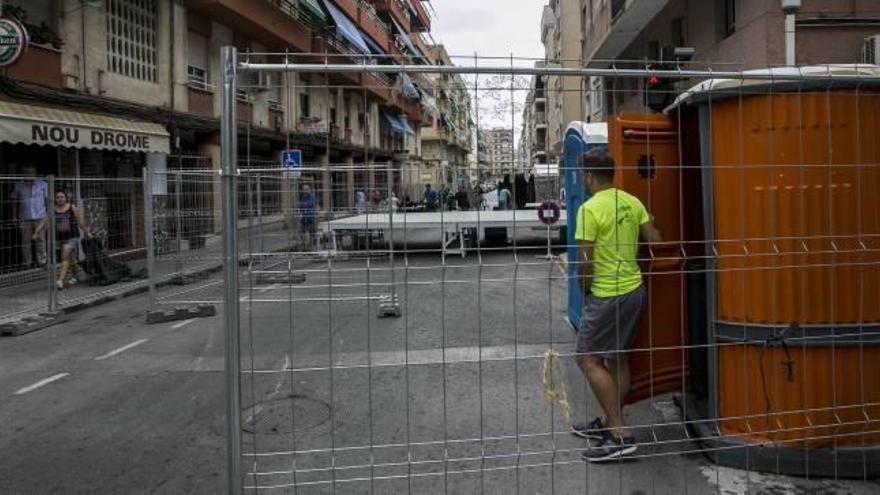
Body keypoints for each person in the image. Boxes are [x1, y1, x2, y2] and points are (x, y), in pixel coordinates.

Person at [572, 150, 661, 462]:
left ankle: (620, 435)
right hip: (634, 291)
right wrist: (650, 221)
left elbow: (586, 262)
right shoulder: (631, 201)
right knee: (618, 357)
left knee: (587, 358)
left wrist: (586, 293)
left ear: (588, 176)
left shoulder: (589, 209)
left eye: (583, 174)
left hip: (606, 294)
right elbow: (657, 240)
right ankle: (611, 420)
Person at [33, 191, 91, 290]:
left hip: (72, 237)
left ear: (65, 198)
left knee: (65, 257)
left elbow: (80, 221)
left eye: (62, 197)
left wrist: (87, 233)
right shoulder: (53, 210)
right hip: (59, 238)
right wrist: (36, 232)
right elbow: (44, 221)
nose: (60, 199)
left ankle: (60, 281)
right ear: (55, 199)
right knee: (70, 258)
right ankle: (75, 275)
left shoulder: (72, 208)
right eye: (58, 197)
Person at [12, 164, 48, 267]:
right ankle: (27, 263)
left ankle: (42, 261)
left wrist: (48, 217)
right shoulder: (18, 185)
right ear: (23, 173)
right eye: (27, 172)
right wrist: (14, 217)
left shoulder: (42, 184)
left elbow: (47, 201)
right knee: (25, 241)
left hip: (40, 217)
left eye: (31, 172)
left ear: (35, 173)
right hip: (24, 217)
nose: (29, 174)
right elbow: (14, 202)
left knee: (41, 239)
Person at [298, 185, 319, 250]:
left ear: (310, 190)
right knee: (305, 232)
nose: (305, 191)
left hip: (311, 217)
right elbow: (300, 208)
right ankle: (306, 247)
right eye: (304, 189)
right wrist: (300, 214)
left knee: (311, 233)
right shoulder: (303, 198)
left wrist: (316, 213)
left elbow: (317, 206)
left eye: (307, 189)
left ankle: (310, 247)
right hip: (304, 218)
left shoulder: (313, 197)